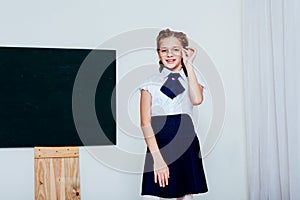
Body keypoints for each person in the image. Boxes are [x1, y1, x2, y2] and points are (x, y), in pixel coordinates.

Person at [139, 28, 208, 200]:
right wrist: (158, 159)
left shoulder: (191, 79)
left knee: (185, 195)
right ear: (158, 54)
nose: (169, 54)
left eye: (175, 49)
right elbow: (145, 123)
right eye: (164, 50)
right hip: (160, 145)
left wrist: (189, 65)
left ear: (184, 52)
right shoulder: (150, 83)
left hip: (186, 143)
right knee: (155, 194)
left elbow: (197, 99)